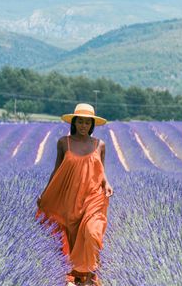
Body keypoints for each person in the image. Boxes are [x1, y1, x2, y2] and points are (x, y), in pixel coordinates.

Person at [36, 103, 114, 286]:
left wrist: (107, 184)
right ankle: (80, 276)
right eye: (80, 122)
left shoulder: (99, 145)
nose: (84, 126)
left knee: (93, 233)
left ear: (92, 125)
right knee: (72, 238)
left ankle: (91, 274)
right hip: (71, 198)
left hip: (94, 197)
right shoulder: (64, 143)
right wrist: (46, 194)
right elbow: (56, 171)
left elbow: (101, 171)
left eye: (88, 122)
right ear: (74, 122)